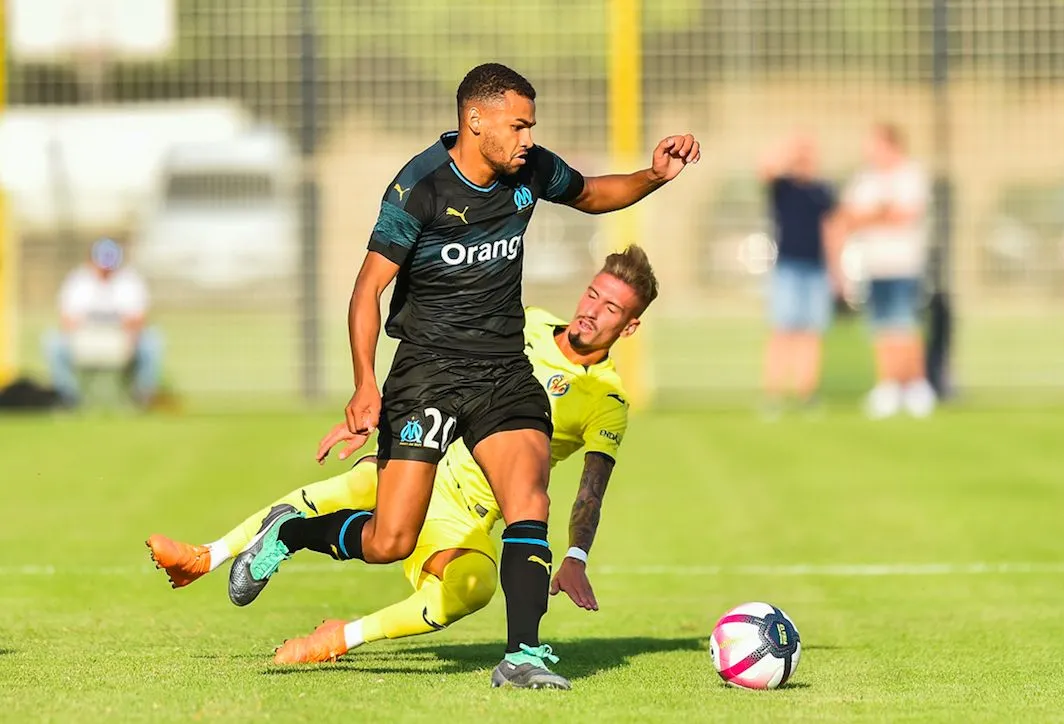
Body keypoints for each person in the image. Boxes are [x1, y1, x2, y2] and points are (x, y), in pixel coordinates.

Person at [188, 63, 693, 689]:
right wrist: (365, 384)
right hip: (426, 373)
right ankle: (291, 534)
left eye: (532, 125)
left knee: (529, 498)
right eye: (518, 125)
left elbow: (590, 193)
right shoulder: (419, 187)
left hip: (504, 370)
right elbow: (366, 291)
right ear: (474, 120)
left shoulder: (529, 171)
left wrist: (653, 176)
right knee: (389, 539)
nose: (529, 138)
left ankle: (523, 656)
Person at [146, 247, 656, 673]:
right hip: (426, 460)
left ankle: (339, 637)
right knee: (354, 486)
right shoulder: (527, 325)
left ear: (629, 328)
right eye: (593, 293)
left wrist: (576, 556)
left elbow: (592, 488)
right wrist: (371, 410)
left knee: (474, 588)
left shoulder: (606, 400)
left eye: (611, 308)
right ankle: (206, 557)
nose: (592, 309)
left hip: (467, 518)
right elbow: (441, 367)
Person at [833, 123, 935, 419]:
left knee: (904, 326)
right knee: (881, 328)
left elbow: (904, 215)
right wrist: (878, 213)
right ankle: (888, 385)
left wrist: (871, 215)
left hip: (904, 264)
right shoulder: (865, 178)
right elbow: (847, 215)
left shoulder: (911, 175)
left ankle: (915, 386)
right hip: (874, 265)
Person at [757, 134, 837, 413]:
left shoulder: (823, 191)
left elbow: (831, 231)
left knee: (811, 334)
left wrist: (837, 272)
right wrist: (788, 149)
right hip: (788, 268)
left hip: (816, 269)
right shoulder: (783, 187)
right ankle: (773, 395)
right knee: (783, 331)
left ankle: (807, 393)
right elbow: (765, 167)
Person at [43, 238, 163, 408]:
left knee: (151, 342)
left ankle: (142, 396)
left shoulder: (129, 281)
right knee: (54, 343)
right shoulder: (78, 281)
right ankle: (68, 397)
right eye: (102, 263)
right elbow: (67, 320)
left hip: (123, 340)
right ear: (92, 261)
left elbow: (138, 319)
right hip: (84, 340)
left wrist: (125, 335)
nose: (107, 269)